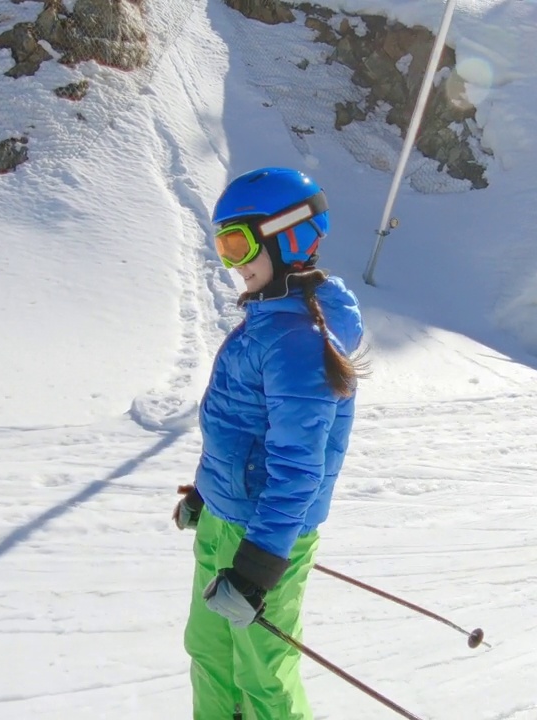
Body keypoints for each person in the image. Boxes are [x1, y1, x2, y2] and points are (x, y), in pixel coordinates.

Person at [173, 167, 365, 720]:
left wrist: (258, 567)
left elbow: (298, 468)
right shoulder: (265, 323)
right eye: (222, 247)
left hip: (268, 538)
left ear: (289, 238)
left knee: (263, 674)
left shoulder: (297, 343)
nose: (232, 263)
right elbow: (237, 430)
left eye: (238, 244)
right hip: (225, 522)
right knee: (209, 651)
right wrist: (207, 495)